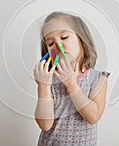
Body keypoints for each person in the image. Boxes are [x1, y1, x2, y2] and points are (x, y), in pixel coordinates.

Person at [33, 11, 111, 146]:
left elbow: (93, 116)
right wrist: (43, 86)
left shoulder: (97, 79)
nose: (57, 45)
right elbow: (45, 124)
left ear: (82, 40)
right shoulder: (49, 80)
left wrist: (71, 84)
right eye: (50, 43)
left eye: (64, 37)